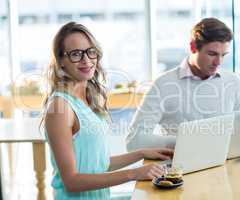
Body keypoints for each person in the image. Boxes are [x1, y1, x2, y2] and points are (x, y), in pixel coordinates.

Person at [42, 22, 173, 199]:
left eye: (90, 51)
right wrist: (134, 174)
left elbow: (99, 165)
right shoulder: (59, 108)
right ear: (61, 61)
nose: (86, 60)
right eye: (75, 54)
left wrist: (141, 153)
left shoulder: (87, 100)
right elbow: (72, 181)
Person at [126, 18, 240, 151]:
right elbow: (134, 141)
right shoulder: (163, 85)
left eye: (223, 55)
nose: (218, 62)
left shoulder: (234, 82)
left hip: (227, 167)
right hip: (181, 169)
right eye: (212, 54)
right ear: (193, 47)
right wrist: (186, 142)